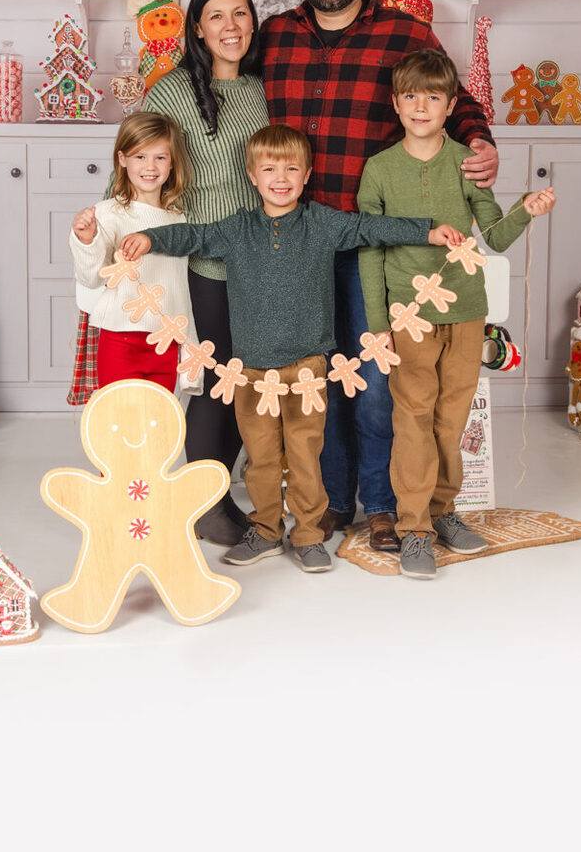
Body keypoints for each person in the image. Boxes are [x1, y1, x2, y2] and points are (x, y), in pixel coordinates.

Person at [120, 124, 464, 575]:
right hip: (250, 371)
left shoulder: (322, 223)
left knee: (305, 456)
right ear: (252, 175)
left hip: (308, 368)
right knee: (261, 459)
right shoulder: (237, 229)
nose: (280, 179)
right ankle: (265, 530)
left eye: (291, 169)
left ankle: (308, 535)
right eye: (269, 170)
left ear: (307, 174)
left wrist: (428, 232)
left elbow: (370, 228)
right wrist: (150, 239)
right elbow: (193, 236)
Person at [260, 0, 500, 551]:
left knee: (374, 382)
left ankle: (384, 506)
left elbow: (456, 97)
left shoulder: (403, 32)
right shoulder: (276, 36)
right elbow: (223, 79)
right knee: (318, 381)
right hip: (300, 242)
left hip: (377, 242)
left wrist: (479, 141)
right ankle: (332, 504)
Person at [357, 49, 555, 579]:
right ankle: (414, 527)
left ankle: (443, 511)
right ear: (396, 103)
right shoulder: (379, 169)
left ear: (450, 107)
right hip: (409, 316)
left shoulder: (466, 163)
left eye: (433, 97)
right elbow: (370, 250)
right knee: (413, 417)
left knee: (451, 419)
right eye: (411, 96)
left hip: (467, 312)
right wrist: (379, 326)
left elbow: (495, 236)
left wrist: (526, 209)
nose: (421, 106)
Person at [133, 0, 270, 545]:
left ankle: (216, 491)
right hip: (204, 258)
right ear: (197, 28)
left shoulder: (261, 89)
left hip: (261, 256)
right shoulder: (172, 92)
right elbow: (140, 161)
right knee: (218, 378)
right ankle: (207, 504)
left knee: (247, 379)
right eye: (216, 16)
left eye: (240, 14)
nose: (230, 27)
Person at [70, 112, 199, 393]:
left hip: (165, 343)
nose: (150, 166)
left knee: (158, 417)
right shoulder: (108, 213)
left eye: (160, 157)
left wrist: (190, 349)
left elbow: (179, 291)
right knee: (119, 414)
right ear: (122, 159)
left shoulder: (178, 219)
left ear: (172, 162)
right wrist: (86, 241)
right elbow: (91, 278)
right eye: (140, 156)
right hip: (121, 340)